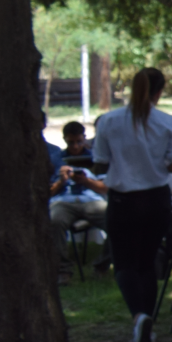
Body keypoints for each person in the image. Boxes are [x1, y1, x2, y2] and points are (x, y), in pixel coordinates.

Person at [92, 67, 172, 342]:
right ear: (159, 92)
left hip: (123, 200)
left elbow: (99, 163)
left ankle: (138, 317)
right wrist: (156, 162)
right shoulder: (169, 123)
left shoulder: (109, 121)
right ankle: (148, 321)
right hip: (157, 198)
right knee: (147, 263)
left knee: (124, 264)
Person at [50, 121, 109, 284]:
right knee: (54, 220)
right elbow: (48, 193)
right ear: (64, 140)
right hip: (63, 201)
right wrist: (61, 181)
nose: (75, 146)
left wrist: (85, 181)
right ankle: (63, 269)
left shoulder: (96, 158)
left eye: (78, 141)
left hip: (91, 199)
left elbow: (105, 188)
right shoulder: (56, 159)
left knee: (117, 219)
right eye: (71, 142)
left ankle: (101, 265)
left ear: (84, 138)